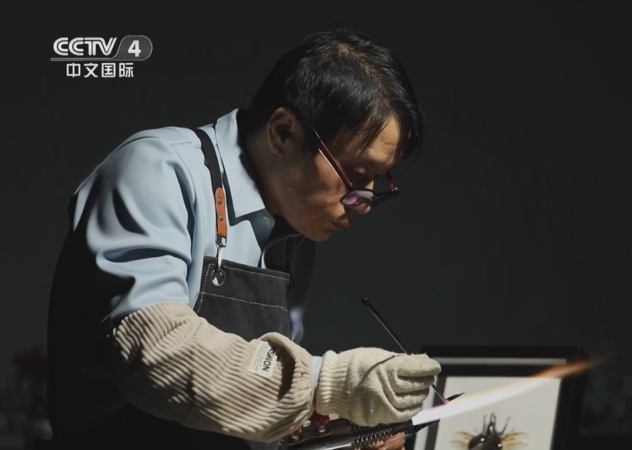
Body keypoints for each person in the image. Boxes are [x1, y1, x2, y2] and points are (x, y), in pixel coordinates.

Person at [45, 28, 441, 450]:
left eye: (378, 183)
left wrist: (342, 434)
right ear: (283, 132)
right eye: (356, 176)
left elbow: (252, 402)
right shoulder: (156, 170)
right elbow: (157, 354)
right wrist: (327, 383)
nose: (363, 204)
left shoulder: (293, 231)